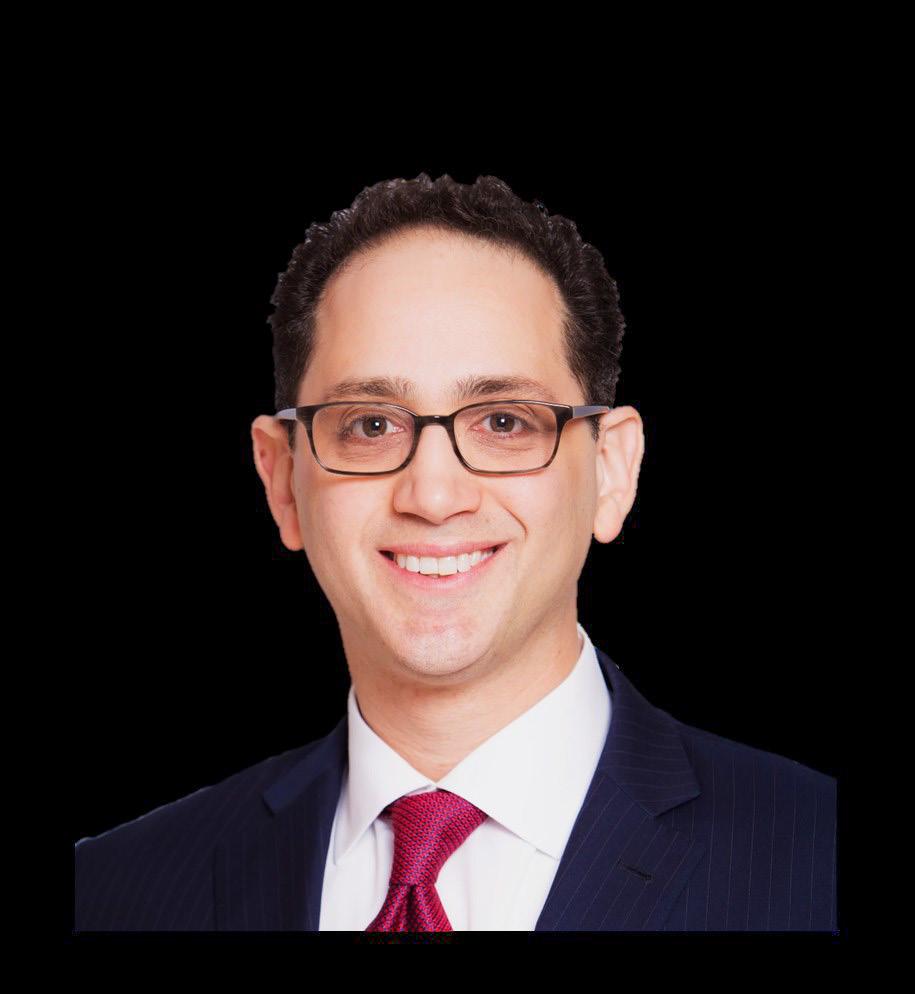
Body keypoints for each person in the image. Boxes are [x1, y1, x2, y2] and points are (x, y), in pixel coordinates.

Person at [73, 173, 837, 932]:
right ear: (281, 480)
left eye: (504, 422)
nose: (433, 496)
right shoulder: (114, 892)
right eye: (370, 425)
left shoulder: (817, 859)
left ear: (612, 470)